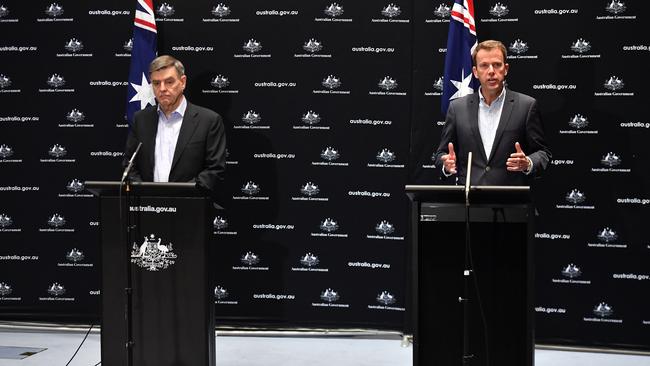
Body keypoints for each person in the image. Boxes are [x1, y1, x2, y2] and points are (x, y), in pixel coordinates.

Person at [435, 40, 551, 185]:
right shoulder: (457, 108)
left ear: (506, 68)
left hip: (511, 201)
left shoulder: (526, 106)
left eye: (497, 65)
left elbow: (543, 153)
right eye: (484, 65)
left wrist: (527, 163)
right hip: (470, 201)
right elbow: (441, 154)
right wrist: (446, 165)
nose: (491, 71)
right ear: (475, 72)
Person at [123, 55, 226, 197]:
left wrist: (179, 196)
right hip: (148, 208)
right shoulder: (141, 119)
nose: (162, 89)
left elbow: (215, 170)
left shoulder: (208, 121)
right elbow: (130, 166)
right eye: (156, 83)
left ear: (182, 82)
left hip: (189, 207)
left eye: (169, 82)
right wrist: (146, 194)